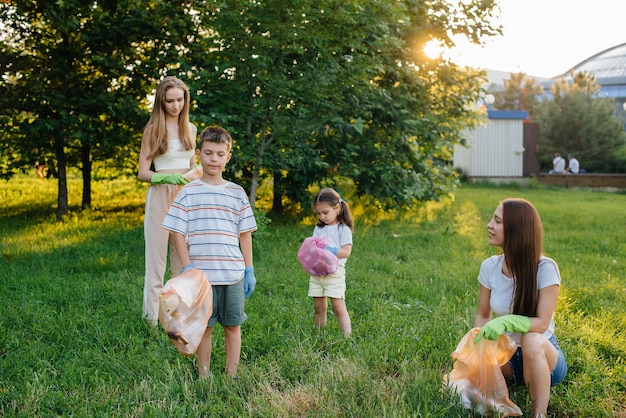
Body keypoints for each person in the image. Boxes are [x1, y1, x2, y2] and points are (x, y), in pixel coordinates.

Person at [162, 126, 257, 378]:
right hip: (201, 279)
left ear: (228, 157)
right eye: (208, 153)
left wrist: (249, 269)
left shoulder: (237, 193)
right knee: (204, 328)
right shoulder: (188, 192)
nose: (213, 159)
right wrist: (187, 267)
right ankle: (204, 375)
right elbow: (176, 232)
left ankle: (231, 374)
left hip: (233, 275)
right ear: (198, 154)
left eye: (219, 154)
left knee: (233, 326)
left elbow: (245, 234)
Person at [474, 198, 567, 417]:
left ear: (516, 230)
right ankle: (502, 402)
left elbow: (542, 323)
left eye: (497, 221)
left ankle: (539, 414)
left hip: (542, 357)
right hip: (507, 355)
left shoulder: (545, 268)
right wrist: (479, 340)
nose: (489, 225)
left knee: (531, 338)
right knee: (476, 360)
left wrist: (506, 321)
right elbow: (482, 315)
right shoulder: (489, 267)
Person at [137, 76, 198, 327]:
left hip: (186, 197)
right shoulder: (153, 130)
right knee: (156, 263)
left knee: (182, 261)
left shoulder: (191, 129)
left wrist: (196, 175)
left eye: (180, 100)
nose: (175, 106)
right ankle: (151, 321)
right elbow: (142, 172)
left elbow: (194, 166)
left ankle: (175, 320)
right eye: (170, 101)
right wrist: (166, 176)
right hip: (161, 196)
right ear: (161, 102)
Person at [308, 188, 354, 338]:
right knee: (319, 306)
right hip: (318, 272)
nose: (322, 217)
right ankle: (319, 334)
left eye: (325, 212)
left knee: (338, 306)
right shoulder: (319, 228)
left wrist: (331, 250)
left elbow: (346, 252)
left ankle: (347, 337)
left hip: (335, 272)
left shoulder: (343, 229)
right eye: (319, 213)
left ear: (337, 208)